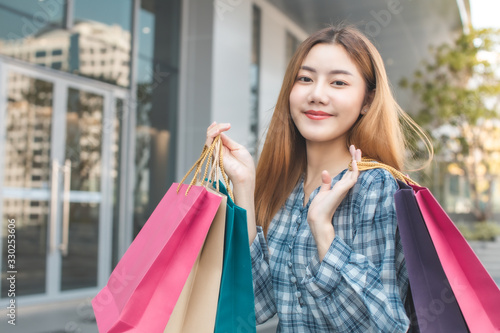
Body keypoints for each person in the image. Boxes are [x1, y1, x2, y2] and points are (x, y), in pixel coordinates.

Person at [205, 24, 430, 332]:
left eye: (338, 82)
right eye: (305, 78)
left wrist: (324, 232)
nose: (316, 94)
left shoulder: (374, 187)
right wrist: (244, 186)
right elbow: (256, 305)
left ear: (367, 101)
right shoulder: (286, 187)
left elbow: (382, 326)